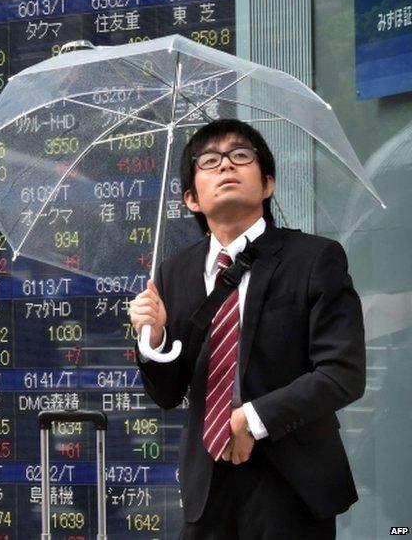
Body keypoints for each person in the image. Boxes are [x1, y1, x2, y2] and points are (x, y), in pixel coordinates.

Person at [128, 119, 365, 538]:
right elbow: (167, 394)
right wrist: (154, 339)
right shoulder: (173, 272)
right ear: (191, 199)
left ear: (268, 184)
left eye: (241, 156)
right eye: (209, 161)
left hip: (291, 481)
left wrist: (251, 419)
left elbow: (341, 374)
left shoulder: (314, 259)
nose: (226, 167)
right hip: (206, 482)